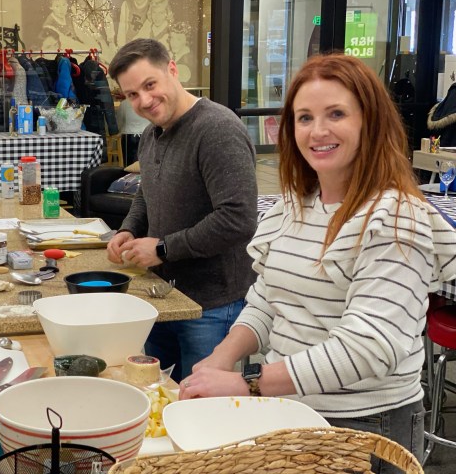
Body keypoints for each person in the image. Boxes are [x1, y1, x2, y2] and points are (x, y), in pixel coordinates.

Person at [179, 54, 456, 469]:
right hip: (288, 416)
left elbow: (366, 348)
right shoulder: (293, 207)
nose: (318, 131)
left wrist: (245, 382)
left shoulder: (396, 218)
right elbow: (268, 300)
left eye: (336, 114)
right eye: (304, 117)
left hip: (366, 427)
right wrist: (222, 356)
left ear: (371, 122)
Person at [106, 38, 258, 382]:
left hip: (213, 305)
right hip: (165, 295)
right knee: (161, 397)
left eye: (150, 85)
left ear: (172, 70)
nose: (144, 101)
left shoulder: (217, 129)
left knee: (200, 409)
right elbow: (149, 190)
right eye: (132, 94)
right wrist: (129, 229)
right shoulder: (151, 134)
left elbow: (238, 218)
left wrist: (163, 249)